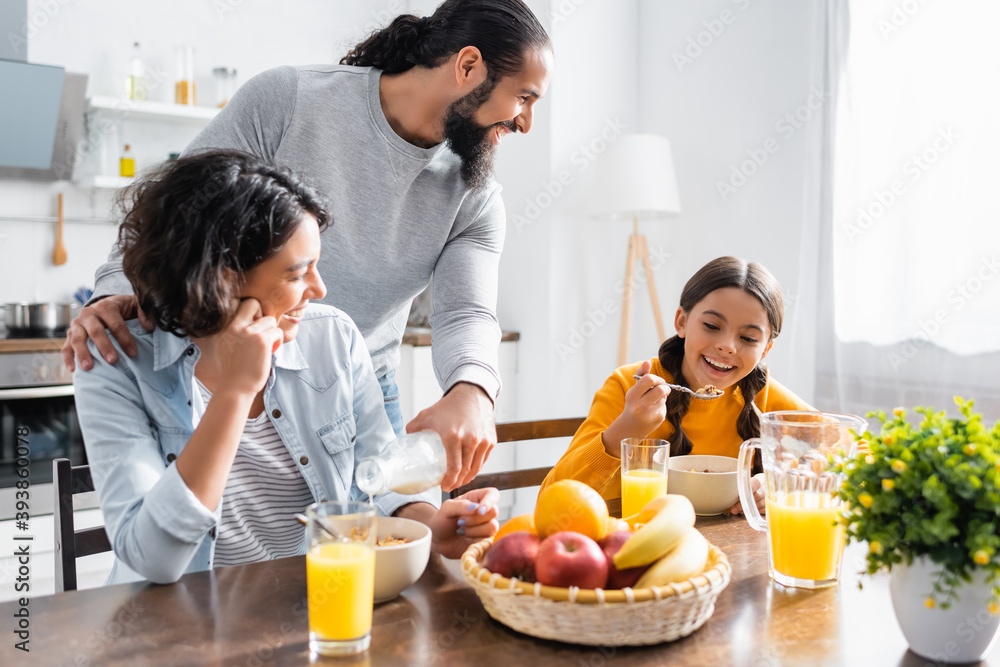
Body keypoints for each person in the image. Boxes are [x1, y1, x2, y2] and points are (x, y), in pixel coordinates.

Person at [62, 0, 554, 493]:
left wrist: (473, 390)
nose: (527, 123)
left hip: (358, 389)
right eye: (524, 98)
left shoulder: (476, 195)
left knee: (376, 543)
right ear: (468, 67)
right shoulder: (291, 99)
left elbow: (465, 313)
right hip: (230, 365)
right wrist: (112, 297)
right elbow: (182, 207)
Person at [74, 150, 499, 586]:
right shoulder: (115, 363)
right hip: (176, 631)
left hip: (310, 609)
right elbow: (154, 558)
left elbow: (379, 473)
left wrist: (430, 523)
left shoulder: (332, 338)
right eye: (298, 273)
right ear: (221, 280)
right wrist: (236, 392)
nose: (320, 288)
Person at [540, 256, 814, 515]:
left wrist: (781, 484)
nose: (727, 346)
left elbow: (851, 450)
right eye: (711, 325)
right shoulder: (628, 386)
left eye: (748, 338)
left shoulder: (759, 396)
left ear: (765, 350)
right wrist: (624, 430)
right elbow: (551, 502)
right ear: (682, 322)